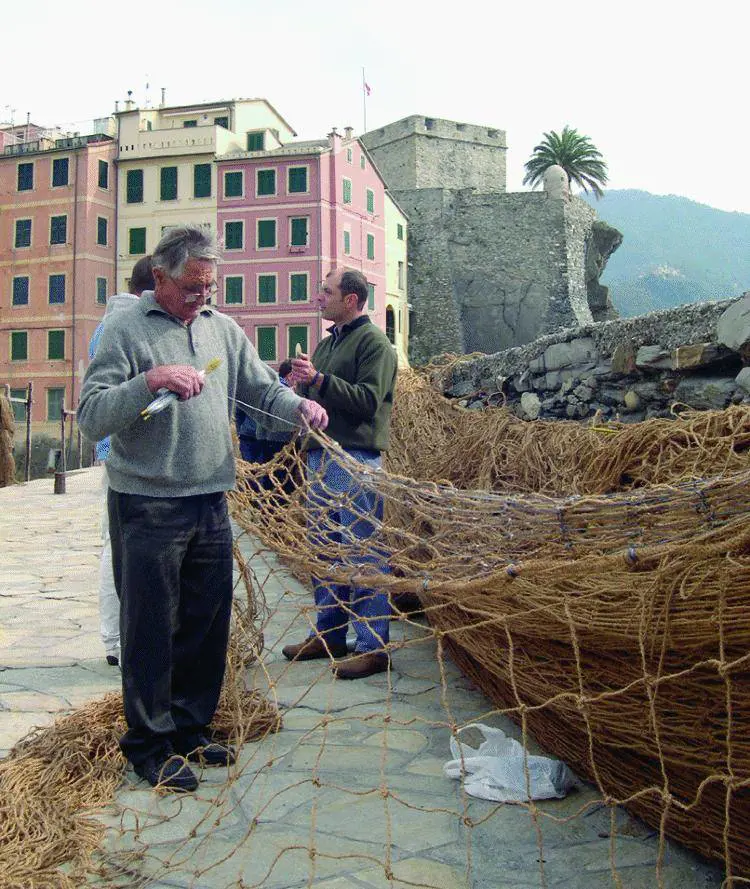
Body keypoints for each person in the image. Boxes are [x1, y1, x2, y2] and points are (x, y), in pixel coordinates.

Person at [77, 225, 327, 793]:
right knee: (150, 630)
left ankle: (190, 728)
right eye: (191, 288)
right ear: (159, 277)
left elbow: (263, 391)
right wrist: (149, 380)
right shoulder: (123, 328)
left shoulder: (223, 330)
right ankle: (148, 745)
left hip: (210, 499)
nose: (201, 298)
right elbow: (92, 414)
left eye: (209, 288)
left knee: (205, 624)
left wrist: (300, 406)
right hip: (147, 503)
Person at [283, 267, 398, 680]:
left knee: (362, 551)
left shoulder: (377, 345)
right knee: (325, 550)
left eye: (326, 291)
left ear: (351, 300)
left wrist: (318, 379)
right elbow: (321, 392)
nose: (319, 296)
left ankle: (373, 646)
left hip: (356, 461)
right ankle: (329, 634)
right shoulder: (328, 344)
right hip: (321, 458)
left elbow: (368, 402)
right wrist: (302, 384)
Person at [89, 256, 155, 667]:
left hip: (114, 453)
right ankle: (115, 640)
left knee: (117, 546)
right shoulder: (127, 327)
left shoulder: (104, 326)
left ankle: (117, 638)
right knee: (117, 547)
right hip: (124, 456)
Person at [236, 359, 294, 464]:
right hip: (275, 440)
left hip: (253, 436)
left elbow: (238, 412)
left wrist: (240, 430)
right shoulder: (284, 392)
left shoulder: (269, 387)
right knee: (269, 474)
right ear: (290, 375)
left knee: (254, 473)